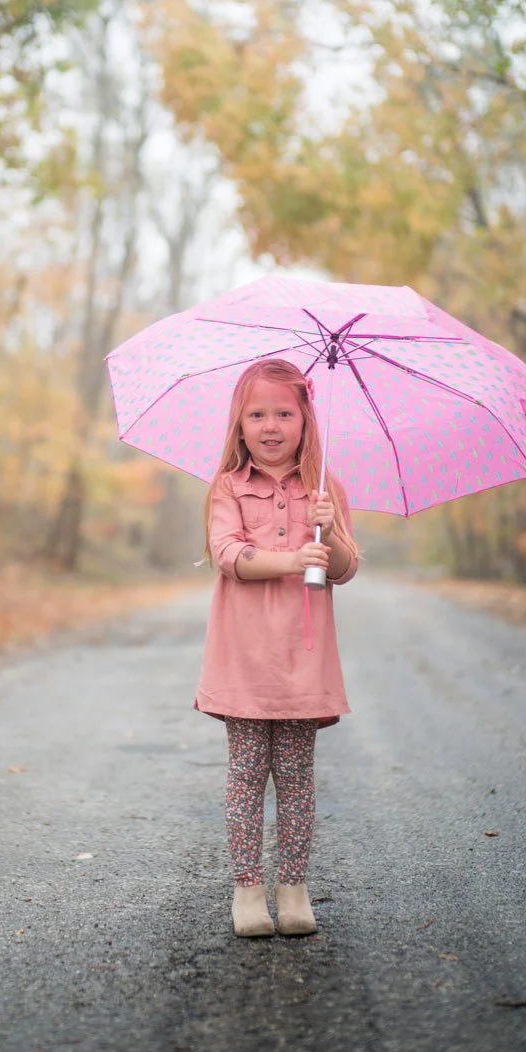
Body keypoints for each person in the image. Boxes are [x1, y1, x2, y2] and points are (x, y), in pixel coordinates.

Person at [195, 357, 359, 938]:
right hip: (244, 656)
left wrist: (330, 529)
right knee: (246, 775)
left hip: (302, 656)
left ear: (306, 418)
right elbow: (227, 555)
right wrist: (291, 560)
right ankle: (248, 890)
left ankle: (292, 886)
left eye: (284, 413)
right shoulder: (228, 487)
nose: (270, 425)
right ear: (239, 425)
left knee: (295, 776)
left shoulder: (324, 487)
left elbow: (344, 569)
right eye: (256, 414)